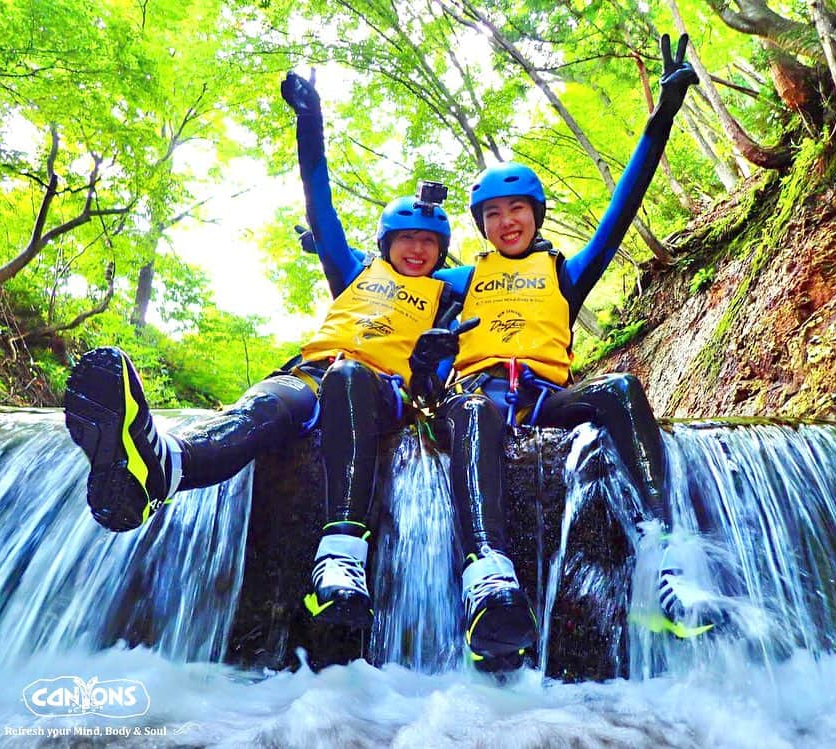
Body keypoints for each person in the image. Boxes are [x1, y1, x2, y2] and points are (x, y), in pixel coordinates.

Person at [63, 72, 464, 630]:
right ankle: (161, 469)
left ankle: (342, 559)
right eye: (407, 240)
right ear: (387, 244)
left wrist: (427, 363)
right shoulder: (351, 271)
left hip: (380, 392)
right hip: (312, 374)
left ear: (442, 250)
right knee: (264, 407)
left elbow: (487, 317)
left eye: (429, 243)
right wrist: (310, 122)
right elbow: (319, 198)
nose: (418, 250)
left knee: (349, 379)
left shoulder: (450, 293)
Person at [411, 34, 714, 667]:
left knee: (623, 390)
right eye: (492, 214)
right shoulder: (460, 280)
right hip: (480, 397)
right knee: (471, 411)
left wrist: (659, 124)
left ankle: (664, 552)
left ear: (535, 215)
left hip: (547, 398)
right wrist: (422, 362)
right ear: (481, 226)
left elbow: (622, 208)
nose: (506, 222)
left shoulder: (565, 273)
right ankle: (488, 577)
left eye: (516, 208)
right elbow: (386, 281)